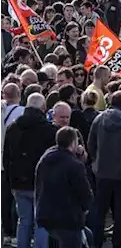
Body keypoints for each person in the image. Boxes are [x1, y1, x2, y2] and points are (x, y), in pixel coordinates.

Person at [88, 90, 121, 248]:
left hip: (102, 172)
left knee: (100, 210)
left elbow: (91, 143)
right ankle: (117, 242)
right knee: (120, 211)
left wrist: (95, 162)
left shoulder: (99, 118)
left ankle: (96, 242)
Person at [4, 93, 55, 248]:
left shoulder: (13, 127)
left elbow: (6, 156)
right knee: (40, 221)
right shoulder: (48, 129)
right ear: (43, 108)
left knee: (24, 220)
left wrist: (9, 178)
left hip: (17, 181)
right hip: (39, 182)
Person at [34, 127, 93, 248]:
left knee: (86, 235)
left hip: (47, 215)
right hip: (68, 218)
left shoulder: (45, 159)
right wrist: (86, 207)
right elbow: (84, 192)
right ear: (73, 142)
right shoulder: (74, 165)